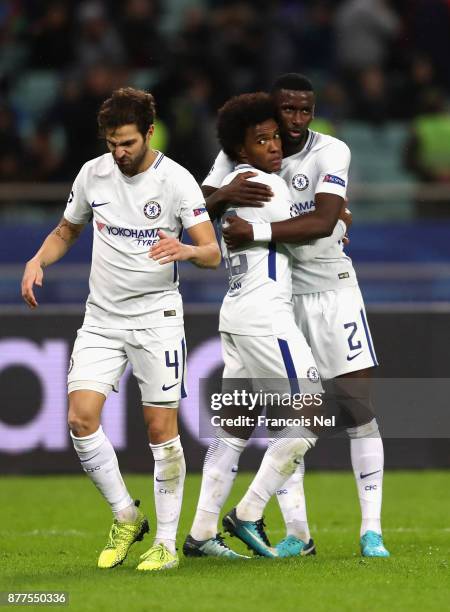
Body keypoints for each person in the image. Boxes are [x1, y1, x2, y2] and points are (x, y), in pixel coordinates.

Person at [21, 87, 221, 572]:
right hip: (102, 319)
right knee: (79, 418)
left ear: (149, 133)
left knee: (160, 430)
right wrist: (37, 259)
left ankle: (168, 545)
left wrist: (186, 251)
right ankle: (127, 516)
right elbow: (67, 230)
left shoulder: (177, 181)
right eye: (112, 143)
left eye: (128, 143)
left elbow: (212, 252)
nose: (119, 152)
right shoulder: (93, 173)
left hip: (157, 319)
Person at [201, 73, 389, 558]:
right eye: (288, 111)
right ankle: (297, 534)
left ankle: (372, 531)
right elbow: (196, 207)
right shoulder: (243, 150)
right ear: (271, 109)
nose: (296, 121)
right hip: (278, 299)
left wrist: (257, 232)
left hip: (330, 289)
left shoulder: (331, 151)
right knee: (291, 416)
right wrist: (222, 197)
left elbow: (325, 220)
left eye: (305, 110)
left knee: (355, 408)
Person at [183, 92, 348, 559]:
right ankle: (250, 512)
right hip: (265, 318)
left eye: (276, 137)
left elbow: (196, 204)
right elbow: (317, 225)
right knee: (311, 416)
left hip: (236, 314)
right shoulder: (263, 186)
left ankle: (199, 535)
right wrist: (338, 218)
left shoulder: (238, 183)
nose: (275, 146)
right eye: (262, 140)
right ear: (241, 150)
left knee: (235, 426)